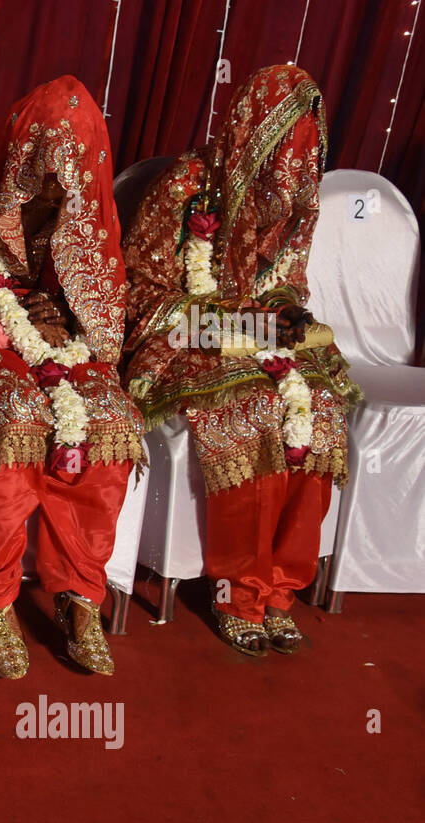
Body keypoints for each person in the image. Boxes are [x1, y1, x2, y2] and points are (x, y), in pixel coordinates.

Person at [0, 77, 142, 678]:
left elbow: (106, 307)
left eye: (69, 167)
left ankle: (80, 596)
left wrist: (64, 316)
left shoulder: (92, 212)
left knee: (110, 422)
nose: (55, 181)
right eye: (43, 163)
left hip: (66, 347)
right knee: (15, 419)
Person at [123, 65, 359, 656]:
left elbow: (287, 286)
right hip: (186, 337)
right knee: (253, 407)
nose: (294, 169)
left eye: (305, 153)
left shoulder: (290, 205)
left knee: (322, 405)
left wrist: (281, 322)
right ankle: (238, 592)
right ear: (255, 132)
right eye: (285, 147)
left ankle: (281, 589)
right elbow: (142, 292)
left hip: (258, 333)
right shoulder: (189, 184)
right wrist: (237, 326)